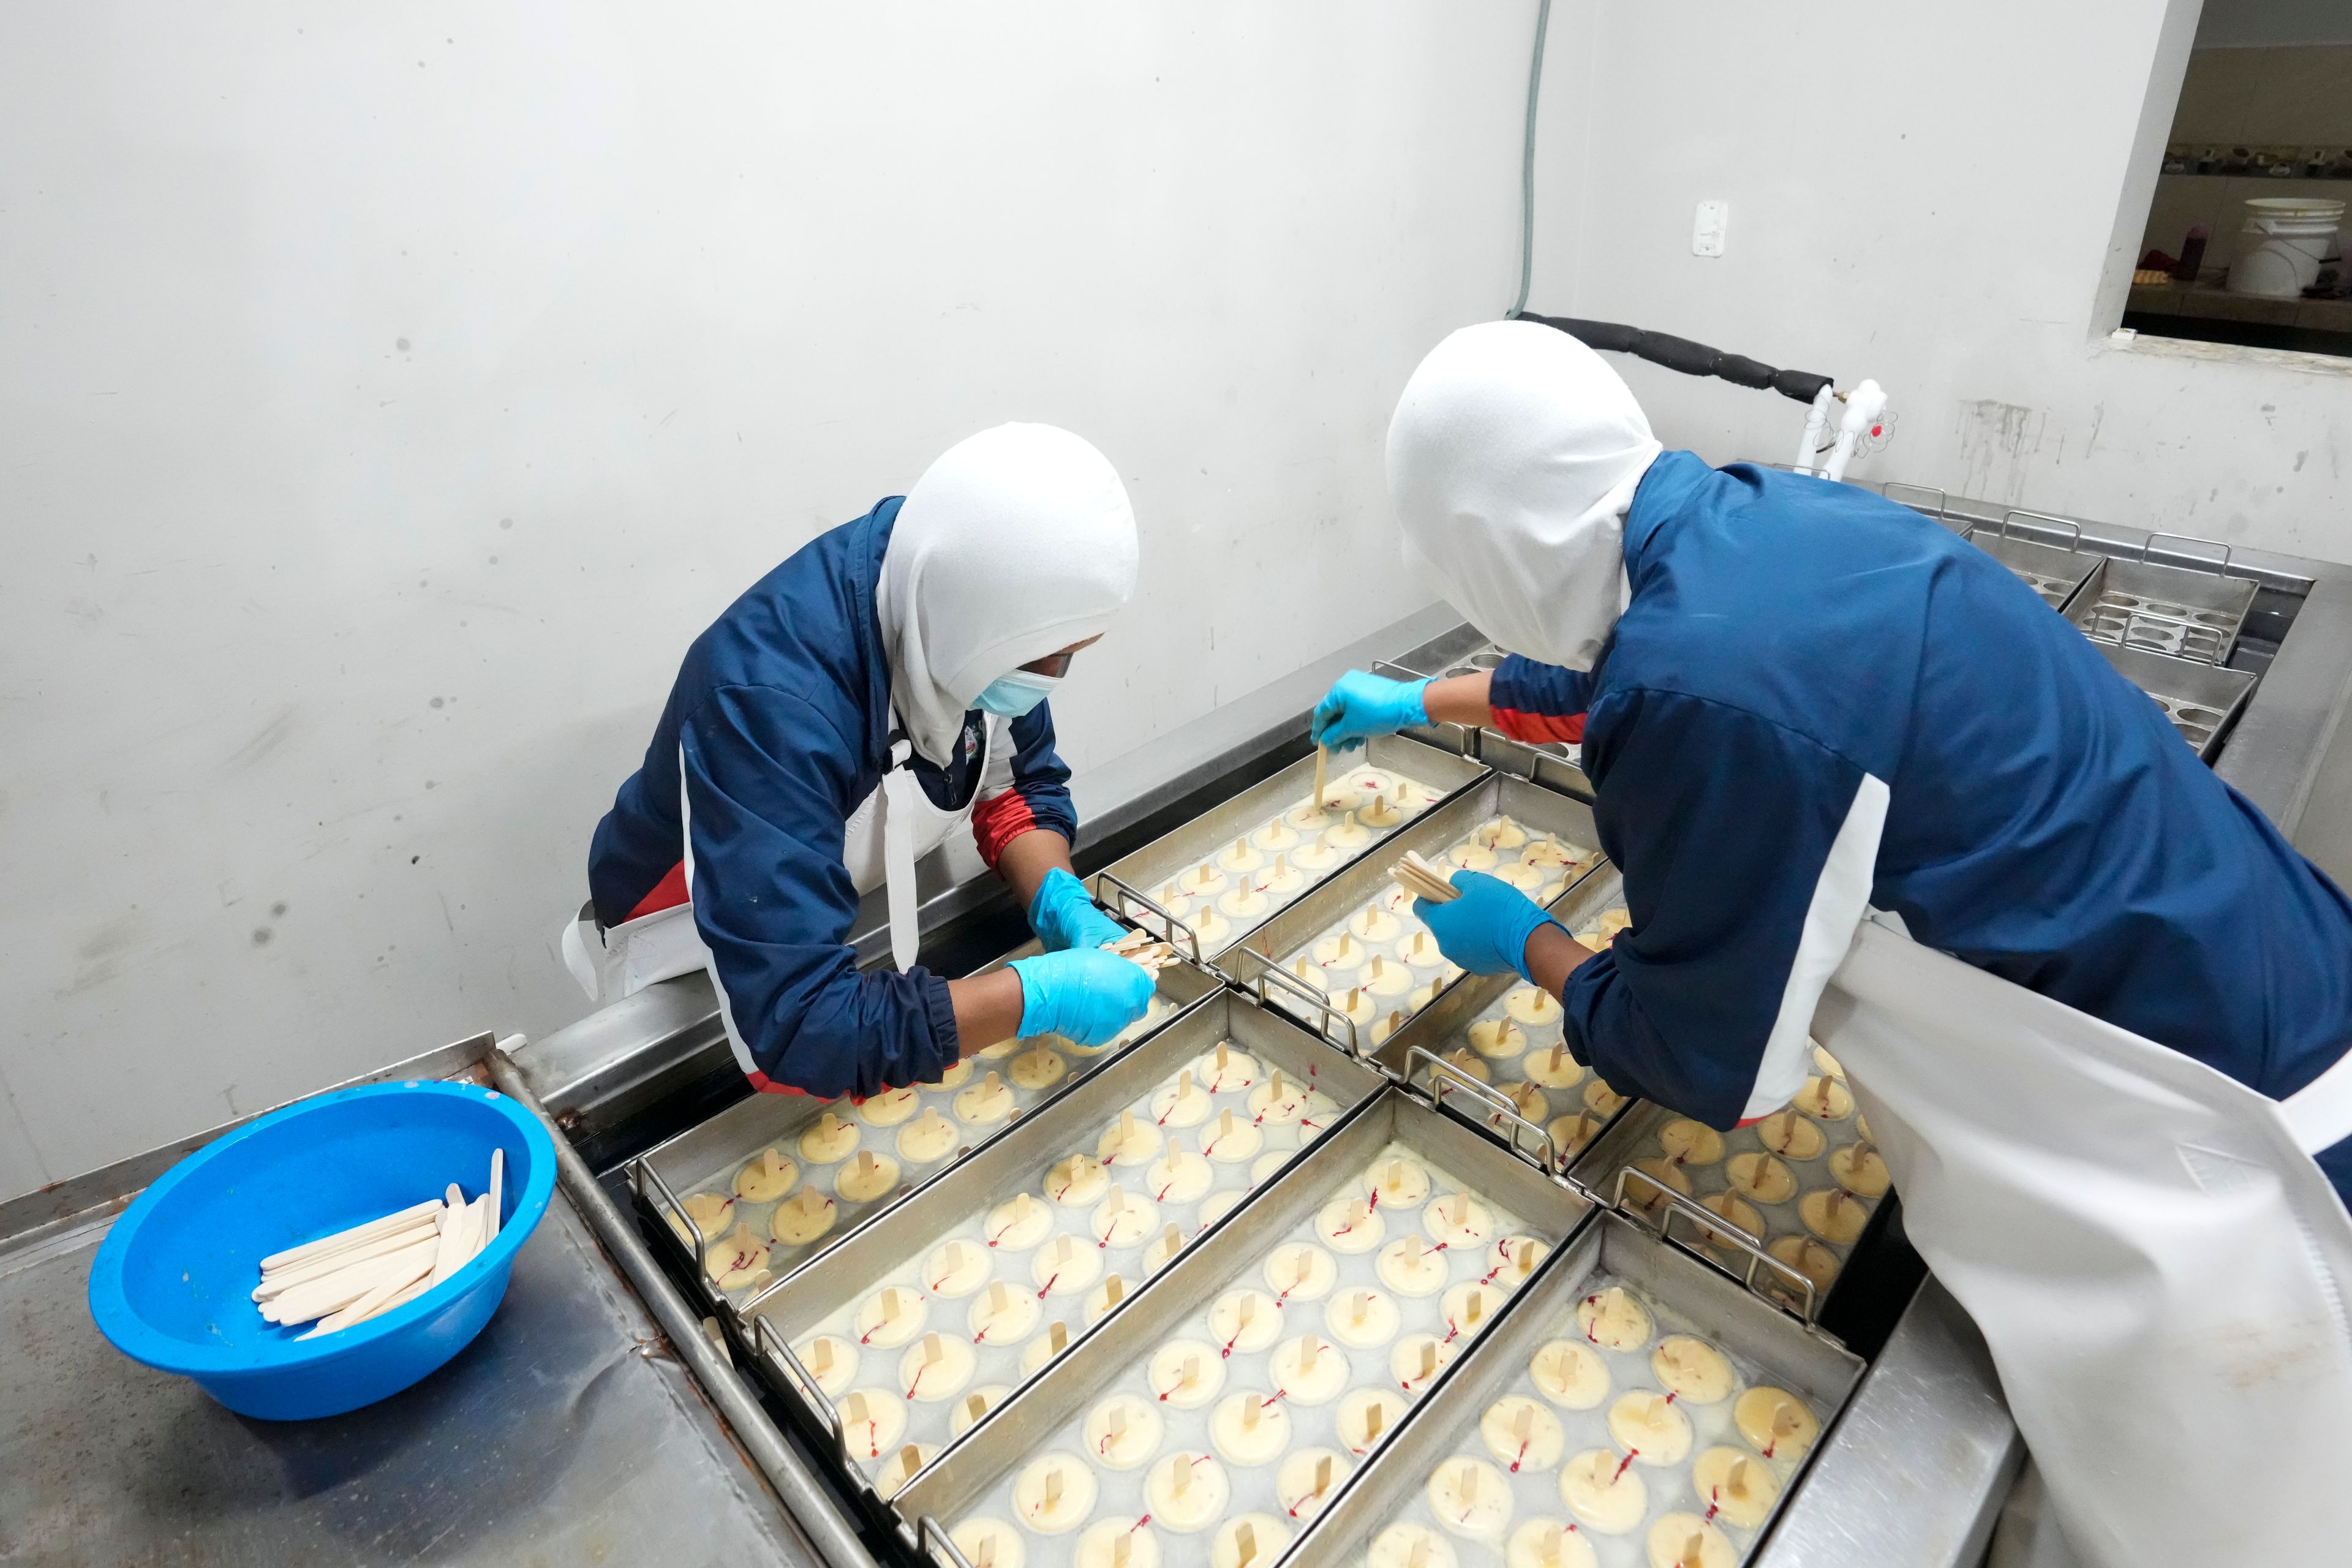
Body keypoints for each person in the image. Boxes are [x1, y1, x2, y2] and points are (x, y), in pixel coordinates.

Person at [1313, 320, 2352, 1566]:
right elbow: (1632, 675)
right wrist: (1421, 697)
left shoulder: (1707, 683)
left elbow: (1718, 1069)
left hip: (2227, 1182)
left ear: (1483, 547)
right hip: (2275, 981)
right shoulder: (1764, 523)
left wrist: (1529, 941)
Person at [563, 423, 1152, 1098]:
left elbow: (1014, 781)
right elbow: (795, 1029)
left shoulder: (967, 605)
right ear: (977, 624)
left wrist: (1059, 898)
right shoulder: (771, 704)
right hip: (687, 959)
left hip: (839, 920)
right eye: (1042, 658)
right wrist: (1033, 999)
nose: (1052, 677)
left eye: (1069, 653)